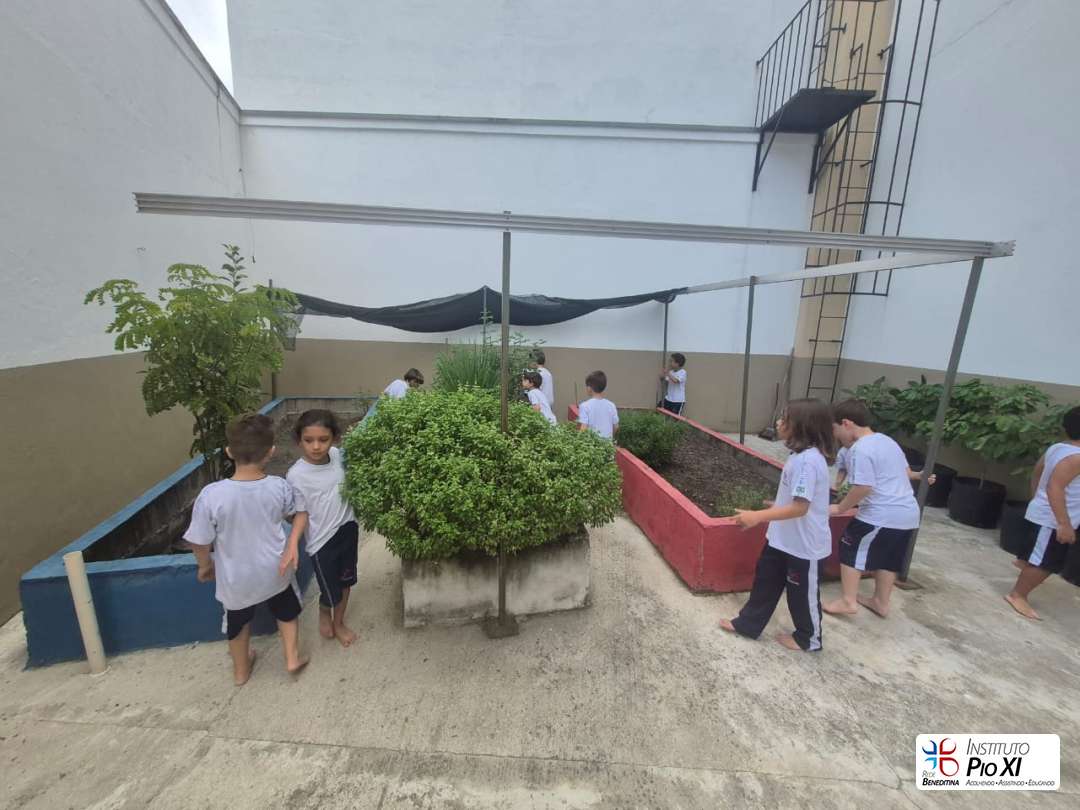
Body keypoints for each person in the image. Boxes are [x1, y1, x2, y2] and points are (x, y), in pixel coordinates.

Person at [184, 413, 310, 685]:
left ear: (229, 452)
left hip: (235, 578)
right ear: (271, 452)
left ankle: (241, 672)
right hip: (276, 569)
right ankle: (291, 658)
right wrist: (292, 544)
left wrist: (205, 566)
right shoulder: (279, 487)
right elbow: (301, 512)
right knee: (287, 612)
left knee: (237, 623)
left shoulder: (212, 495)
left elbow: (199, 540)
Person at [718, 399, 834, 652]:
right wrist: (777, 505)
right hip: (782, 539)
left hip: (804, 547)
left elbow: (800, 507)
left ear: (801, 426)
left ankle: (809, 638)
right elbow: (796, 500)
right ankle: (748, 624)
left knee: (801, 595)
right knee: (766, 583)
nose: (779, 422)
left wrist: (758, 516)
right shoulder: (798, 456)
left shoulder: (808, 462)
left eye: (785, 419)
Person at [822, 399, 931, 619]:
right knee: (888, 558)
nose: (836, 436)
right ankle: (881, 602)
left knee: (850, 547)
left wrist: (840, 507)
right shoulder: (887, 441)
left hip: (881, 515)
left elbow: (863, 486)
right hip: (908, 514)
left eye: (835, 429)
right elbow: (906, 472)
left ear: (846, 423)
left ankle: (848, 601)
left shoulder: (860, 449)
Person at [287, 410, 361, 647]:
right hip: (321, 543)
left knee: (346, 582)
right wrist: (293, 544)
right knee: (330, 590)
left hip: (348, 530)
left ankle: (338, 623)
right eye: (309, 440)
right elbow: (301, 513)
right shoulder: (296, 475)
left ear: (334, 438)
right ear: (299, 441)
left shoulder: (337, 456)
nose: (316, 446)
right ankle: (324, 609)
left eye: (323, 439)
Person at [1005, 406, 1080, 620]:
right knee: (1047, 562)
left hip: (1043, 513)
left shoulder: (1058, 448)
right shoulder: (1077, 458)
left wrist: (1036, 499)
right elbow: (1055, 487)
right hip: (1053, 520)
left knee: (1039, 553)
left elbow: (1037, 473)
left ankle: (1025, 564)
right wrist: (1063, 524)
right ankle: (1018, 595)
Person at [578, 370, 619, 440]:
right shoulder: (611, 405)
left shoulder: (585, 406)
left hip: (592, 445)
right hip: (607, 444)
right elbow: (616, 426)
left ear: (589, 388)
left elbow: (583, 429)